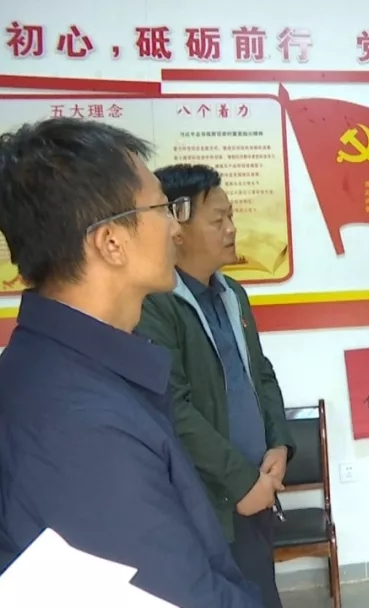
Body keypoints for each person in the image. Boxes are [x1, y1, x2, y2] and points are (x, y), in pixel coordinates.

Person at [0, 119, 262, 606]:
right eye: (163, 209)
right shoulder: (76, 430)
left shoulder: (74, 369)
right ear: (110, 242)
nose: (175, 227)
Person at [135, 163, 294, 608]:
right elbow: (173, 406)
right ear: (177, 228)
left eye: (231, 217)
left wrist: (279, 444)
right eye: (218, 219)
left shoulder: (232, 293)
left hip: (257, 487)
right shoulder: (155, 306)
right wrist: (241, 483)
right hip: (210, 499)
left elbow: (260, 372)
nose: (231, 229)